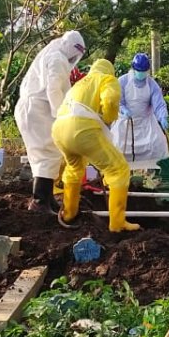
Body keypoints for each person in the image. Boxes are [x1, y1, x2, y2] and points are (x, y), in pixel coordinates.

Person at [52, 59, 139, 232]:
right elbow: (111, 99)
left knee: (74, 168)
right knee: (119, 169)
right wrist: (108, 117)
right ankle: (117, 223)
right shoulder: (107, 79)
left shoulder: (79, 84)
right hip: (82, 128)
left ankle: (69, 213)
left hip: (59, 130)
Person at [15, 31, 86, 213]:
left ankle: (47, 199)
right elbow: (54, 89)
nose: (74, 58)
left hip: (37, 109)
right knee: (46, 153)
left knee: (50, 153)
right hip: (37, 110)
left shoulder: (54, 55)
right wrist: (61, 115)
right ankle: (39, 202)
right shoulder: (57, 58)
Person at [111, 53, 169, 169]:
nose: (141, 73)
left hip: (146, 123)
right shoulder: (122, 81)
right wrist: (123, 109)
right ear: (133, 68)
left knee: (158, 144)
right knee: (117, 146)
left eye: (144, 71)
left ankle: (155, 172)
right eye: (139, 70)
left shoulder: (152, 84)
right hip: (126, 123)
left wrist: (162, 116)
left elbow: (159, 104)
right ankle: (120, 173)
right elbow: (118, 101)